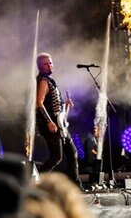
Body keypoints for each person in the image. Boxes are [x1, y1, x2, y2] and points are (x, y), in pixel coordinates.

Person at [35, 52, 81, 188]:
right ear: (40, 67)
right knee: (56, 157)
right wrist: (49, 121)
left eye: (51, 63)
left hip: (60, 125)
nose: (50, 66)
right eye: (46, 64)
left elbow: (54, 105)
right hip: (51, 125)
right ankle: (36, 183)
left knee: (72, 153)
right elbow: (39, 103)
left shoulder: (50, 81)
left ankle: (76, 185)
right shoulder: (43, 81)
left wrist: (65, 105)